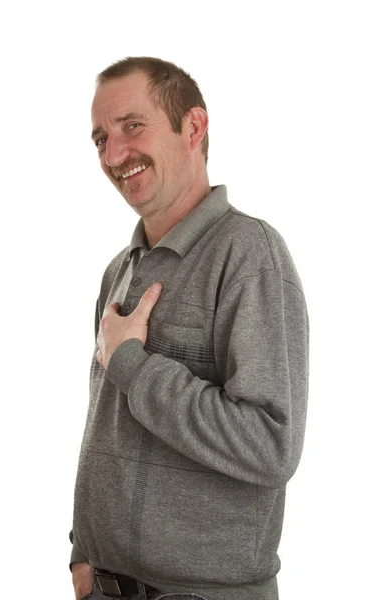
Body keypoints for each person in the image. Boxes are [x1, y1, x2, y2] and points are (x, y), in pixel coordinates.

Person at [69, 57, 309, 600]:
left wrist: (133, 364)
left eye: (133, 126)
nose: (114, 154)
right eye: (100, 138)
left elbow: (271, 445)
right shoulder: (120, 269)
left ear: (193, 127)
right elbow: (104, 426)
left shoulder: (249, 254)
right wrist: (82, 551)